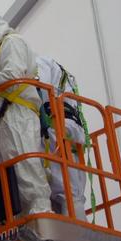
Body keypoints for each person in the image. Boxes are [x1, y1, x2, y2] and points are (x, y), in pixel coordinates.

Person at [0, 11, 51, 217]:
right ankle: (25, 217)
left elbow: (12, 74)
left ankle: (41, 211)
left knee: (26, 164)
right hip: (4, 121)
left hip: (18, 114)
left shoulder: (12, 42)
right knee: (13, 174)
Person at [36, 56, 88, 218]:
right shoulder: (45, 65)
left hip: (59, 130)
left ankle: (77, 233)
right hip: (60, 130)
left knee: (69, 195)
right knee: (66, 195)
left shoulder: (39, 64)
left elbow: (39, 87)